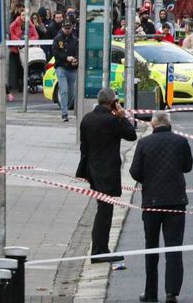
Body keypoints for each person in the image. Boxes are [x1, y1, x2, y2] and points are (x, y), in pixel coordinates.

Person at [129, 112, 192, 303]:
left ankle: (150, 293)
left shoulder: (144, 143)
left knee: (151, 248)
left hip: (152, 202)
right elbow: (188, 166)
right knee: (173, 246)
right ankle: (171, 292)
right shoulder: (181, 141)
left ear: (153, 125)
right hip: (176, 202)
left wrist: (148, 180)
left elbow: (134, 171)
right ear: (169, 124)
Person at [79, 88, 137, 263]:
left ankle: (100, 248)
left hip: (92, 169)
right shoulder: (112, 120)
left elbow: (84, 147)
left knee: (103, 209)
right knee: (105, 211)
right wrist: (121, 116)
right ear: (113, 102)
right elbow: (131, 135)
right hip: (107, 171)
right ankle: (99, 250)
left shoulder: (87, 119)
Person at [51, 20, 79, 122]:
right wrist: (66, 58)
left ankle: (66, 107)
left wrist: (76, 60)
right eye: (65, 28)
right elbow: (55, 53)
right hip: (61, 67)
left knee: (71, 93)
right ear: (62, 28)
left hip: (72, 68)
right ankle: (64, 113)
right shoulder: (57, 39)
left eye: (69, 28)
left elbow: (78, 52)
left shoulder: (75, 40)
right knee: (63, 91)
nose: (67, 30)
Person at [9, 10, 39, 93]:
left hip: (26, 48)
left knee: (27, 66)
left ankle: (27, 83)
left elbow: (36, 36)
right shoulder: (14, 24)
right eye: (22, 15)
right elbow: (11, 34)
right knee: (19, 68)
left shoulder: (30, 25)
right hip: (16, 49)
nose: (24, 17)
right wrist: (20, 41)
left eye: (26, 15)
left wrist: (28, 41)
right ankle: (19, 84)